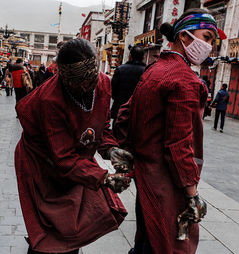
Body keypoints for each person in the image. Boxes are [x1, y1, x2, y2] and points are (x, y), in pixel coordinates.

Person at [113, 8, 222, 254]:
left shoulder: (154, 69)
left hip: (146, 174)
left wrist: (131, 153)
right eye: (206, 37)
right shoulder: (184, 80)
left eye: (212, 41)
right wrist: (192, 193)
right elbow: (179, 144)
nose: (209, 46)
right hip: (166, 182)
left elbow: (124, 116)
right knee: (165, 243)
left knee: (147, 237)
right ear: (184, 37)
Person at [14, 38, 134, 254]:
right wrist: (104, 178)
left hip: (75, 156)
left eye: (90, 81)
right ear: (65, 79)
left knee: (73, 223)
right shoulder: (50, 100)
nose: (86, 87)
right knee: (51, 226)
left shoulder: (103, 83)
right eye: (78, 84)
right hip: (43, 160)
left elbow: (101, 126)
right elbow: (63, 158)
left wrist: (111, 149)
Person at [110, 45, 146, 131]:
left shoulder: (120, 69)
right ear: (143, 57)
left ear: (130, 56)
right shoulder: (147, 71)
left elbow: (113, 91)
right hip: (138, 112)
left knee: (117, 135)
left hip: (120, 109)